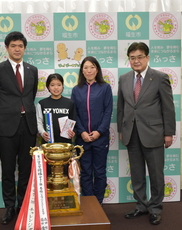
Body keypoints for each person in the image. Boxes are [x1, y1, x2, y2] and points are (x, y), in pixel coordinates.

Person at [117, 42, 176, 225]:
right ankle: (141, 205)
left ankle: (156, 208)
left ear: (147, 57)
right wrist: (121, 129)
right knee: (137, 173)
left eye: (140, 57)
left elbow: (168, 107)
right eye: (132, 57)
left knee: (156, 174)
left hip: (154, 133)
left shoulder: (159, 77)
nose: (136, 61)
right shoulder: (124, 78)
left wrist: (168, 133)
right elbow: (122, 107)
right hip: (131, 133)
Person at [0, 31, 38, 225]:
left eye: (20, 46)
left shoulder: (32, 69)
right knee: (8, 169)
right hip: (6, 127)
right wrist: (6, 115)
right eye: (13, 46)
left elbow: (30, 95)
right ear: (7, 48)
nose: (17, 49)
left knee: (26, 169)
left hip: (28, 126)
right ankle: (9, 207)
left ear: (24, 48)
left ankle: (24, 205)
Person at [71, 56, 113, 205]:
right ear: (82, 70)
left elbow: (108, 112)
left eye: (92, 67)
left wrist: (99, 132)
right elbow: (74, 113)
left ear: (97, 70)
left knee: (100, 172)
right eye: (86, 67)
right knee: (86, 172)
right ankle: (90, 203)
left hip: (100, 138)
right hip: (82, 139)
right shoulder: (77, 90)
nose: (89, 70)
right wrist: (82, 132)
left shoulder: (105, 88)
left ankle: (99, 203)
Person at [36, 73, 76, 144]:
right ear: (48, 87)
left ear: (62, 86)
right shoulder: (42, 103)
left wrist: (73, 132)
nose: (56, 88)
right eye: (52, 85)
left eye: (59, 85)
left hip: (65, 144)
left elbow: (74, 122)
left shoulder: (69, 103)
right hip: (47, 143)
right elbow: (39, 122)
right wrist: (42, 132)